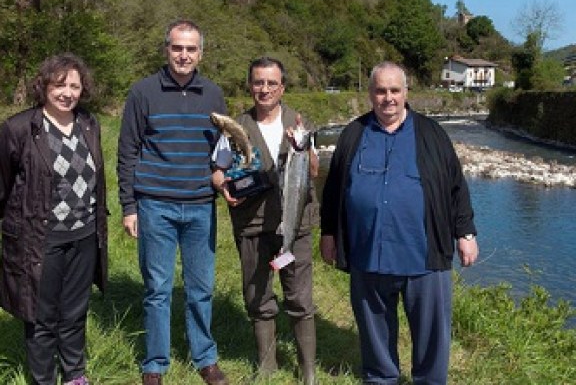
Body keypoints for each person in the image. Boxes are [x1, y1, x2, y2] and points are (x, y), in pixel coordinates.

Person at [320, 61, 479, 385]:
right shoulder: (353, 134)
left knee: (432, 336)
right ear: (370, 94)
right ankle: (381, 378)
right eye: (381, 90)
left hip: (423, 258)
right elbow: (334, 188)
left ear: (406, 93)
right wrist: (329, 233)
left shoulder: (432, 134)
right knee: (374, 331)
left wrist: (465, 232)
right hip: (369, 256)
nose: (388, 98)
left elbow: (455, 186)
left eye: (394, 90)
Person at [117, 20, 228, 385]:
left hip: (200, 205)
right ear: (166, 49)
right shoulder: (143, 92)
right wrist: (129, 207)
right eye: (177, 48)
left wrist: (224, 171)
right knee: (157, 290)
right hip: (155, 206)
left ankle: (205, 357)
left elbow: (221, 149)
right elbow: (128, 151)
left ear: (201, 52)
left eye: (191, 49)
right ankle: (155, 363)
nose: (184, 55)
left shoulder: (213, 94)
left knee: (201, 288)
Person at [0, 53, 108, 385]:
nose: (67, 93)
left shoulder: (89, 123)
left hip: (84, 235)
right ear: (44, 86)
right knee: (42, 317)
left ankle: (75, 375)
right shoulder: (19, 128)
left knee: (74, 313)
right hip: (40, 238)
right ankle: (43, 379)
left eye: (75, 86)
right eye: (59, 85)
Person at [212, 57, 318, 384]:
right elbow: (218, 170)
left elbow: (314, 170)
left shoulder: (298, 123)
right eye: (259, 82)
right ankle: (267, 368)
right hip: (252, 225)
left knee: (299, 298)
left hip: (294, 226)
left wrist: (302, 148)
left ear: (282, 87)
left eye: (272, 83)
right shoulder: (236, 126)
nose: (265, 89)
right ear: (250, 85)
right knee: (257, 297)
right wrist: (224, 188)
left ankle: (308, 371)